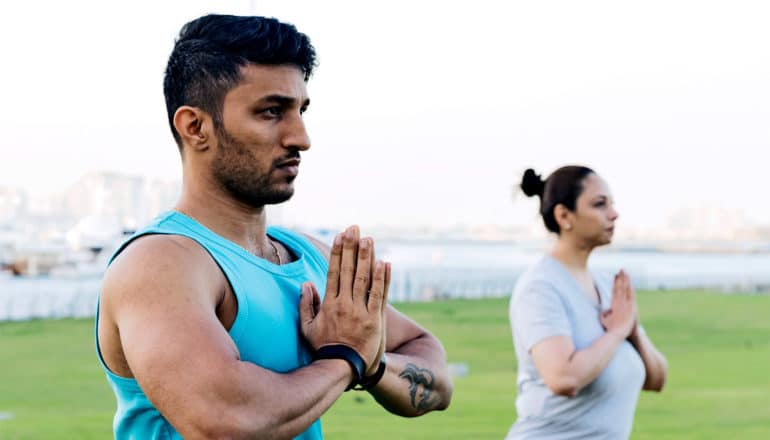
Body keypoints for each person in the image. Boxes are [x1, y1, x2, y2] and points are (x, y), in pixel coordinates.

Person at [95, 14, 452, 439]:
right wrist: (344, 358)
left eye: (300, 110)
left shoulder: (309, 256)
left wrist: (371, 364)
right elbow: (226, 421)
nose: (301, 137)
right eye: (271, 112)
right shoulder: (161, 263)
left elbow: (436, 375)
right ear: (196, 127)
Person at [506, 166, 667, 439]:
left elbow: (657, 380)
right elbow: (564, 379)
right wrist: (617, 332)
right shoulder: (540, 288)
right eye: (600, 204)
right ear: (564, 216)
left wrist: (633, 329)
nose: (614, 214)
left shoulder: (606, 286)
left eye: (612, 204)